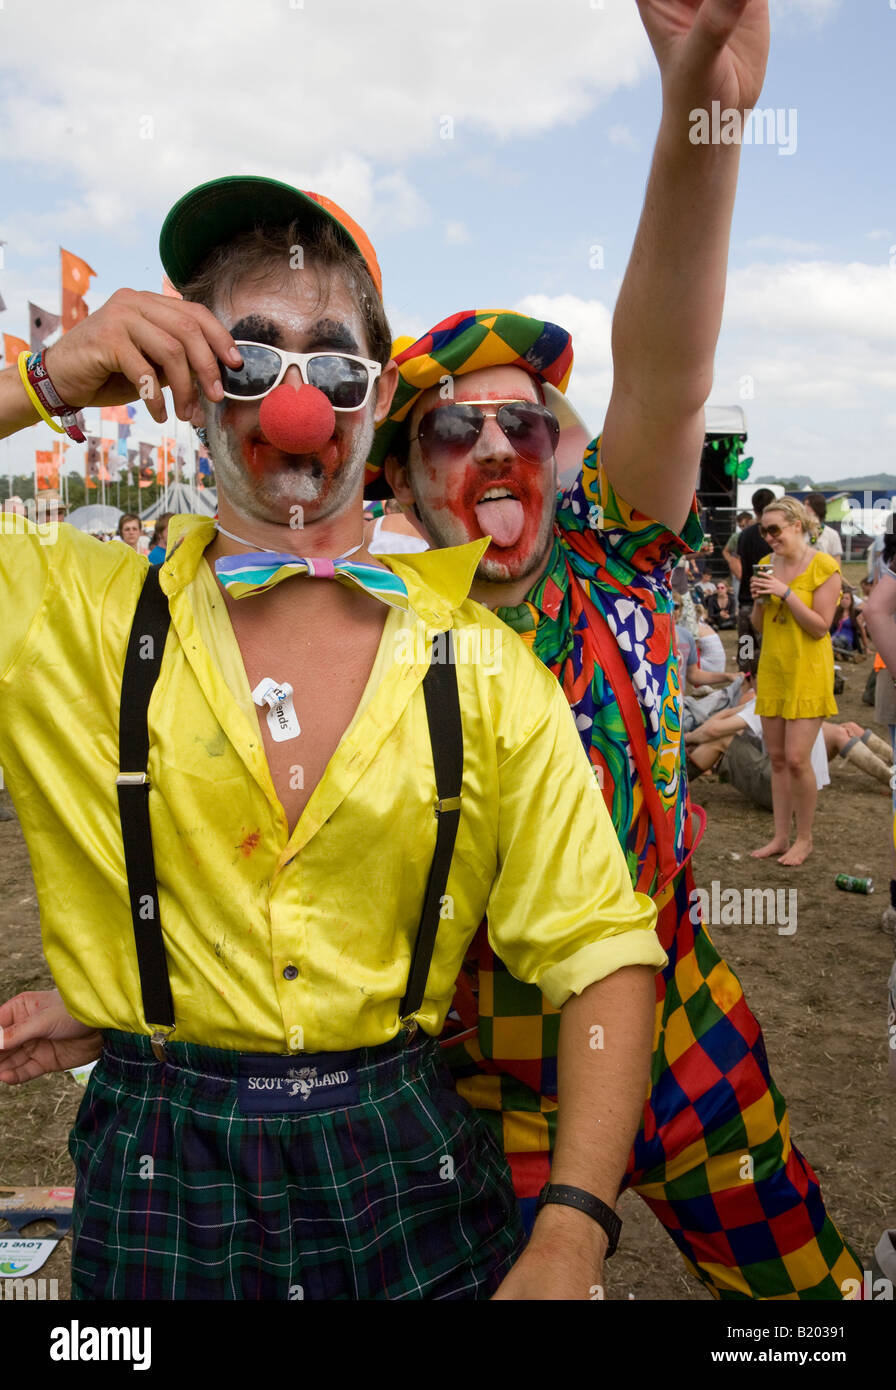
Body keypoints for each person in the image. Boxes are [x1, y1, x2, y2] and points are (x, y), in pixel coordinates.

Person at [0, 178, 665, 1302]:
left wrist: (572, 1229)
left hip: (407, 1167)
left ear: (375, 397)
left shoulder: (487, 667)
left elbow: (603, 950)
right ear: (190, 381)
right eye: (249, 356)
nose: (294, 398)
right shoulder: (67, 609)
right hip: (159, 1174)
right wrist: (44, 380)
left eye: (334, 362)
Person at [366, 0, 858, 1294]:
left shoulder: (618, 553)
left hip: (683, 1020)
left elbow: (667, 373)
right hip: (481, 1083)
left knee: (805, 1293)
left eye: (525, 425)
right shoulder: (368, 637)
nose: (493, 449)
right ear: (407, 480)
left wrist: (708, 114)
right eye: (452, 429)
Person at [749, 496, 841, 866]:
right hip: (774, 669)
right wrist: (759, 601)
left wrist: (786, 594)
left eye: (774, 530)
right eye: (763, 531)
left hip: (808, 672)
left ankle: (804, 839)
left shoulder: (824, 566)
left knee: (799, 759)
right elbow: (757, 626)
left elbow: (821, 627)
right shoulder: (766, 565)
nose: (769, 538)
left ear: (797, 526)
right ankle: (780, 837)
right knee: (777, 759)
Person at [736, 487, 775, 673]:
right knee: (765, 653)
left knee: (746, 652)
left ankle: (745, 684)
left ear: (753, 508)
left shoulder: (744, 535)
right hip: (765, 602)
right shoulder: (772, 537)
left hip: (744, 603)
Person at [830, 584, 867, 660]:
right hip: (834, 638)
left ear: (851, 601)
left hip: (847, 641)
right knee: (831, 640)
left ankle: (837, 651)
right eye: (842, 598)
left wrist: (866, 648)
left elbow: (862, 630)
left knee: (841, 638)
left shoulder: (855, 614)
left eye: (847, 599)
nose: (844, 600)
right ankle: (838, 653)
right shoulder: (836, 613)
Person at [723, 509, 752, 605]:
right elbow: (725, 552)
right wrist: (733, 562)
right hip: (739, 573)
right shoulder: (736, 536)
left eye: (745, 525)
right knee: (738, 601)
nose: (743, 528)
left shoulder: (757, 533)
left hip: (752, 571)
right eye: (741, 526)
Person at [805, 491, 843, 562]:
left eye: (808, 505)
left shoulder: (832, 534)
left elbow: (837, 563)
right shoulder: (799, 533)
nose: (804, 508)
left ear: (817, 507)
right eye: (804, 504)